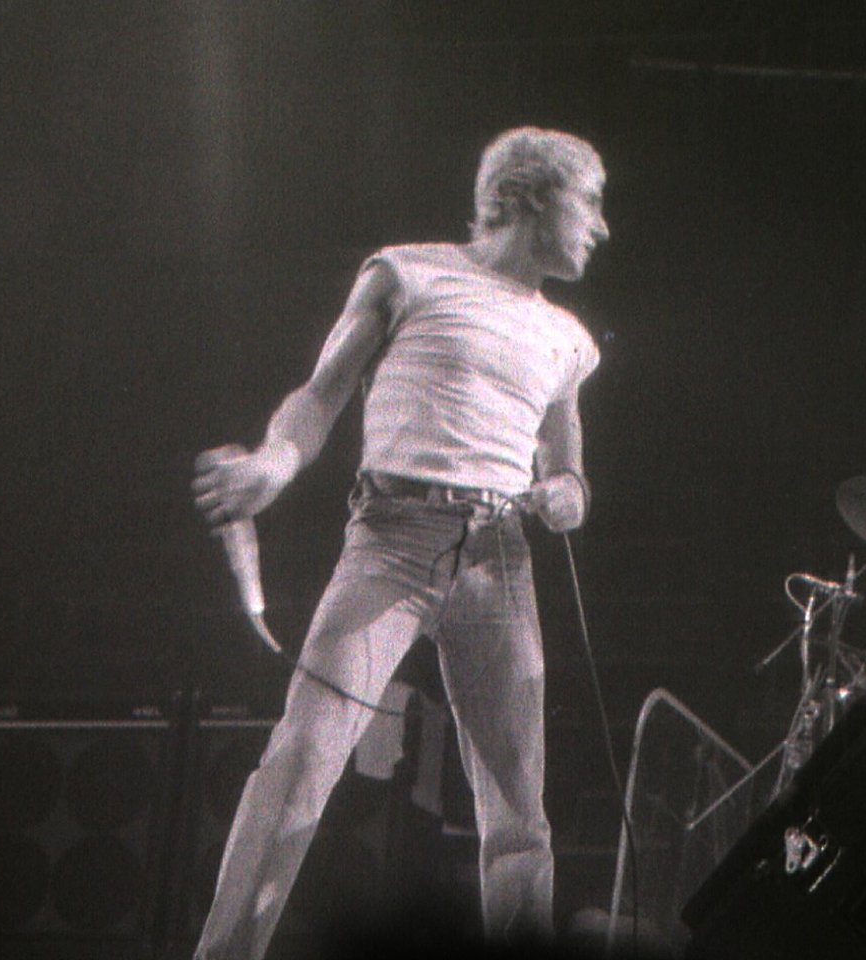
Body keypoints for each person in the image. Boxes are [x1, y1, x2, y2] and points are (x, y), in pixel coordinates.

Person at [191, 126, 610, 960]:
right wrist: (274, 463)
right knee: (300, 763)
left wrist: (567, 496)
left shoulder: (567, 337)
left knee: (517, 810)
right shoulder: (408, 272)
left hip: (499, 558)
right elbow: (320, 394)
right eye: (590, 202)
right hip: (392, 542)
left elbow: (569, 469)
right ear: (532, 194)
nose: (601, 226)